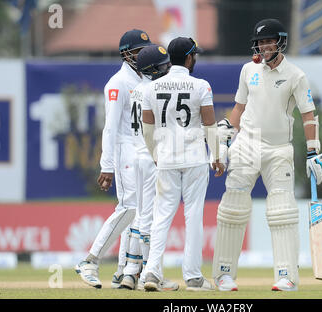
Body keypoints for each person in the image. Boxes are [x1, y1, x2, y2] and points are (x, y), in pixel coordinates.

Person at [211, 18, 322, 292]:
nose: (264, 47)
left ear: (280, 42)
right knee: (232, 209)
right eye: (261, 42)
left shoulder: (296, 75)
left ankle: (287, 275)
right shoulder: (247, 70)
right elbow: (239, 108)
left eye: (268, 41)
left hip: (278, 150)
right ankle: (224, 274)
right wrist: (228, 131)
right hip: (247, 144)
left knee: (282, 211)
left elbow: (308, 116)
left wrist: (313, 151)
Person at [141, 37, 225, 292]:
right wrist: (217, 156)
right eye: (194, 56)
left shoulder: (151, 88)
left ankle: (152, 272)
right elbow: (210, 124)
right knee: (193, 216)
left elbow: (148, 128)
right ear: (189, 58)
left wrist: (155, 153)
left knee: (161, 217)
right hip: (194, 158)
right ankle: (193, 277)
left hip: (166, 158)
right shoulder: (201, 85)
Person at [75, 29, 152, 289]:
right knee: (128, 208)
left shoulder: (145, 80)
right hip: (124, 150)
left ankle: (122, 271)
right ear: (126, 54)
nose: (144, 55)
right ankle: (90, 260)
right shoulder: (117, 83)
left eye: (146, 50)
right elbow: (109, 127)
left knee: (138, 212)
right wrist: (106, 165)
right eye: (139, 51)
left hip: (142, 151)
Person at [119, 44, 178, 291]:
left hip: (138, 157)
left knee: (142, 217)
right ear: (154, 69)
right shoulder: (156, 89)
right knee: (153, 219)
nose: (168, 68)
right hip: (154, 157)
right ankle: (151, 275)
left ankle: (131, 272)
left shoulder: (138, 89)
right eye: (164, 65)